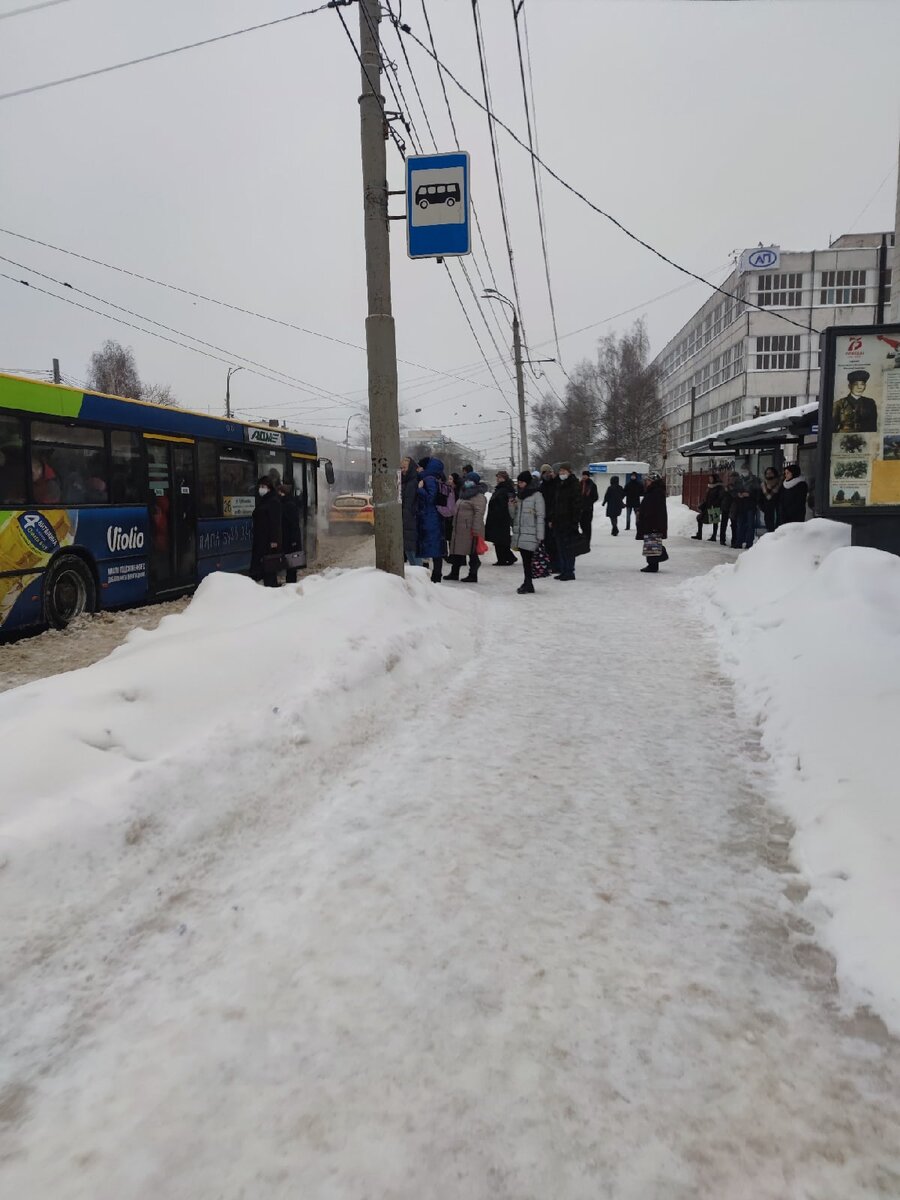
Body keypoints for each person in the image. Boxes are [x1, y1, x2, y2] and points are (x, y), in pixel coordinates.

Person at [509, 470, 545, 594]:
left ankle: (528, 583)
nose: (520, 484)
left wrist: (540, 535)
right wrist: (511, 506)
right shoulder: (519, 496)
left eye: (522, 482)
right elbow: (514, 516)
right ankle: (527, 582)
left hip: (531, 532)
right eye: (518, 482)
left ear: (528, 482)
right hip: (521, 533)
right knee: (525, 560)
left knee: (528, 561)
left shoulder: (537, 495)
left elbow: (540, 516)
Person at [446, 476, 487, 582]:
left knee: (472, 552)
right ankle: (454, 573)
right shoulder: (464, 494)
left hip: (470, 529)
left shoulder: (478, 496)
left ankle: (473, 574)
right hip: (459, 528)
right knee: (457, 552)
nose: (467, 482)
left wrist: (476, 529)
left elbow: (479, 513)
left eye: (470, 480)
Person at [415, 456, 446, 583]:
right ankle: (433, 574)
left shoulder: (429, 479)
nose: (418, 468)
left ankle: (435, 576)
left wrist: (420, 489)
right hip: (430, 517)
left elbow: (430, 498)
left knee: (433, 548)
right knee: (432, 547)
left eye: (420, 466)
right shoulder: (433, 478)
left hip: (430, 518)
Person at [251, 475, 283, 587]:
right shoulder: (264, 500)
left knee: (269, 567)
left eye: (263, 486)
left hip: (268, 542)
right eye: (260, 486)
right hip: (261, 540)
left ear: (269, 488)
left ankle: (271, 588)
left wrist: (274, 541)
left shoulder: (273, 501)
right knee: (262, 567)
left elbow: (275, 523)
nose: (261, 489)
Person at [551, 462, 581, 581]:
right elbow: (555, 503)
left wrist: (574, 521)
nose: (562, 473)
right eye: (560, 471)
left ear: (569, 471)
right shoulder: (559, 484)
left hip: (568, 522)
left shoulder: (574, 484)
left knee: (568, 547)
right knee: (560, 547)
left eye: (564, 471)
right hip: (558, 521)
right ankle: (563, 570)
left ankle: (569, 571)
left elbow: (577, 504)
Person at [636, 473, 669, 573]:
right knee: (651, 542)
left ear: (653, 481)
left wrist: (645, 515)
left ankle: (653, 565)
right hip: (651, 521)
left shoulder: (655, 492)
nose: (646, 482)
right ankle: (652, 564)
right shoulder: (653, 491)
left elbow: (653, 509)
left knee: (652, 542)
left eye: (648, 480)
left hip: (653, 521)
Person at [486, 470, 517, 565]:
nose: (497, 479)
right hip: (497, 518)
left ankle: (504, 558)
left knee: (501, 539)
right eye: (497, 477)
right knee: (499, 539)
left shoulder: (506, 489)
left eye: (499, 477)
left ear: (504, 478)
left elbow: (505, 504)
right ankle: (505, 558)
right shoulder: (500, 488)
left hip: (501, 518)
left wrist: (497, 512)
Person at [729, 459, 761, 549]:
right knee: (740, 524)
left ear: (749, 470)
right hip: (740, 505)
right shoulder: (739, 480)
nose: (744, 472)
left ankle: (749, 543)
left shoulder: (755, 480)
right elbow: (733, 491)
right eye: (742, 470)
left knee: (750, 525)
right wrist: (738, 494)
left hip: (750, 505)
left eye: (745, 470)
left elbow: (758, 492)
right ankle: (739, 542)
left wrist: (749, 494)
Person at [401, 456, 423, 566]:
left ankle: (421, 577)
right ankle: (417, 574)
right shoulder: (404, 482)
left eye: (404, 467)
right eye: (401, 468)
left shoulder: (414, 482)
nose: (402, 470)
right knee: (408, 550)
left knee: (413, 551)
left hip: (412, 520)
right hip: (406, 521)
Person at [278, 483, 303, 583]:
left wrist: (294, 541)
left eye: (280, 492)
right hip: (288, 538)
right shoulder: (285, 503)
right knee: (290, 562)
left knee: (292, 562)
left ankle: (291, 583)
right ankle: (290, 581)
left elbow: (294, 525)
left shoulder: (289, 505)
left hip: (291, 539)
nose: (278, 494)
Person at [539, 464, 560, 570]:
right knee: (547, 542)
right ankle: (551, 562)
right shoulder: (542, 485)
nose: (546, 474)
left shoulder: (556, 484)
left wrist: (552, 517)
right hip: (544, 516)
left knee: (554, 541)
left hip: (553, 516)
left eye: (548, 472)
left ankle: (556, 564)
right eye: (544, 473)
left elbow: (555, 502)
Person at [692, 473, 725, 541]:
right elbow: (706, 497)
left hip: (714, 507)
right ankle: (699, 534)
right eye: (709, 478)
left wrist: (715, 504)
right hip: (707, 506)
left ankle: (714, 536)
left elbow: (720, 497)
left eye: (711, 478)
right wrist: (703, 504)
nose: (710, 479)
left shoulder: (719, 487)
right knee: (699, 518)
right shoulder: (710, 487)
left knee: (715, 521)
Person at [759, 466, 782, 533]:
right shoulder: (763, 485)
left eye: (770, 473)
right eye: (767, 473)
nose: (769, 474)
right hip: (768, 510)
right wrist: (763, 508)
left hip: (778, 509)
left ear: (774, 473)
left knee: (778, 528)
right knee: (769, 528)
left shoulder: (779, 484)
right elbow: (760, 498)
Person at [579, 470, 600, 545]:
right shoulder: (580, 484)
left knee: (587, 524)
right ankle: (583, 538)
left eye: (585, 475)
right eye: (583, 475)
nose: (584, 477)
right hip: (580, 508)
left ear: (588, 476)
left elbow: (596, 497)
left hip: (588, 508)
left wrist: (589, 502)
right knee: (581, 524)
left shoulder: (592, 485)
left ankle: (587, 540)